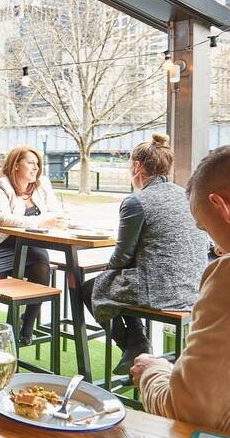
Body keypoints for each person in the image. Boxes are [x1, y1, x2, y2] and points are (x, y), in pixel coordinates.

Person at [83, 133, 208, 374]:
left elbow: (122, 257)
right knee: (114, 284)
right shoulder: (185, 195)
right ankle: (136, 344)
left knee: (90, 288)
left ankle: (134, 345)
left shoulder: (137, 202)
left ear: (137, 166)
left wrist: (108, 269)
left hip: (161, 291)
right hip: (194, 288)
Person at [130, 145, 230, 433]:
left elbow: (185, 409)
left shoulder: (225, 277)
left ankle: (134, 346)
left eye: (205, 228)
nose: (217, 247)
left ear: (222, 206)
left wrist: (152, 371)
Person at [0, 146, 67, 345]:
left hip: (29, 245)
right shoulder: (0, 186)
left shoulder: (42, 184)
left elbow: (56, 212)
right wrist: (41, 221)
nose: (36, 168)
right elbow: (2, 219)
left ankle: (26, 326)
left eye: (37, 164)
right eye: (30, 163)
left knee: (42, 270)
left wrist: (59, 220)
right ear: (15, 165)